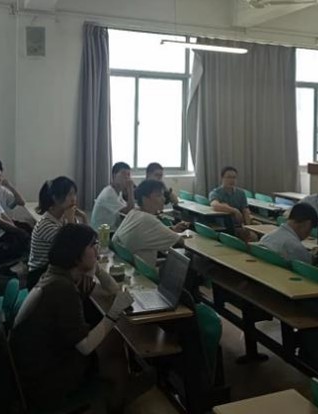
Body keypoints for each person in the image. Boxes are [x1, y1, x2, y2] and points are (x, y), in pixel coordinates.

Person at [11, 224, 134, 412]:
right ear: (76, 254)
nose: (97, 250)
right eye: (92, 246)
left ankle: (115, 395)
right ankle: (116, 402)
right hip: (47, 377)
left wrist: (97, 268)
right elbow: (85, 346)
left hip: (39, 362)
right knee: (113, 348)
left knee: (111, 340)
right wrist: (114, 312)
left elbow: (112, 292)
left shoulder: (59, 273)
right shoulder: (62, 288)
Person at [27, 176, 88, 289]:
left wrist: (83, 217)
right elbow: (74, 248)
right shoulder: (45, 225)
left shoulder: (63, 218)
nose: (74, 199)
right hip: (40, 277)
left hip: (55, 272)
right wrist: (71, 221)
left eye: (74, 194)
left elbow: (86, 240)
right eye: (69, 194)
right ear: (56, 198)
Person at [112, 180, 188, 267]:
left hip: (131, 266)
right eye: (159, 195)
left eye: (163, 195)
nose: (163, 199)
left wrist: (172, 229)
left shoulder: (134, 212)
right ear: (145, 199)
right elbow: (180, 242)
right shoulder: (148, 220)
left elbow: (148, 233)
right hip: (143, 272)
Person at [91, 162, 135, 232]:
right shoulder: (109, 194)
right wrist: (130, 190)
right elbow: (129, 211)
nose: (127, 178)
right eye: (123, 174)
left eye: (128, 175)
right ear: (114, 176)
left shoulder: (117, 192)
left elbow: (127, 208)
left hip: (112, 230)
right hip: (103, 234)